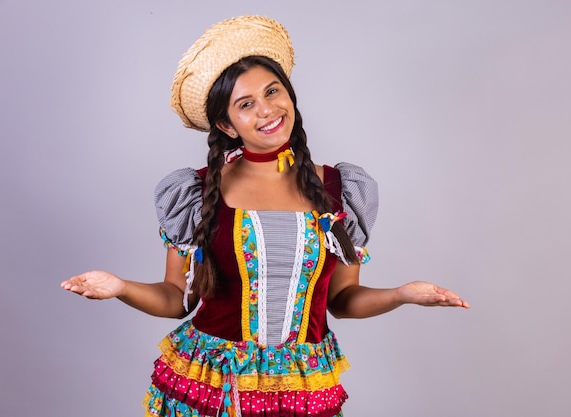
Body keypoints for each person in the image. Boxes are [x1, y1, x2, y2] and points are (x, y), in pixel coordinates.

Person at [60, 15, 469, 417]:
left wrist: (402, 295)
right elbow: (175, 299)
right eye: (246, 104)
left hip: (303, 389)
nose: (267, 110)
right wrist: (119, 287)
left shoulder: (340, 189)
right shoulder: (195, 192)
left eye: (273, 92)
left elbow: (343, 300)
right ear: (227, 123)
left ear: (289, 94)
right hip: (214, 388)